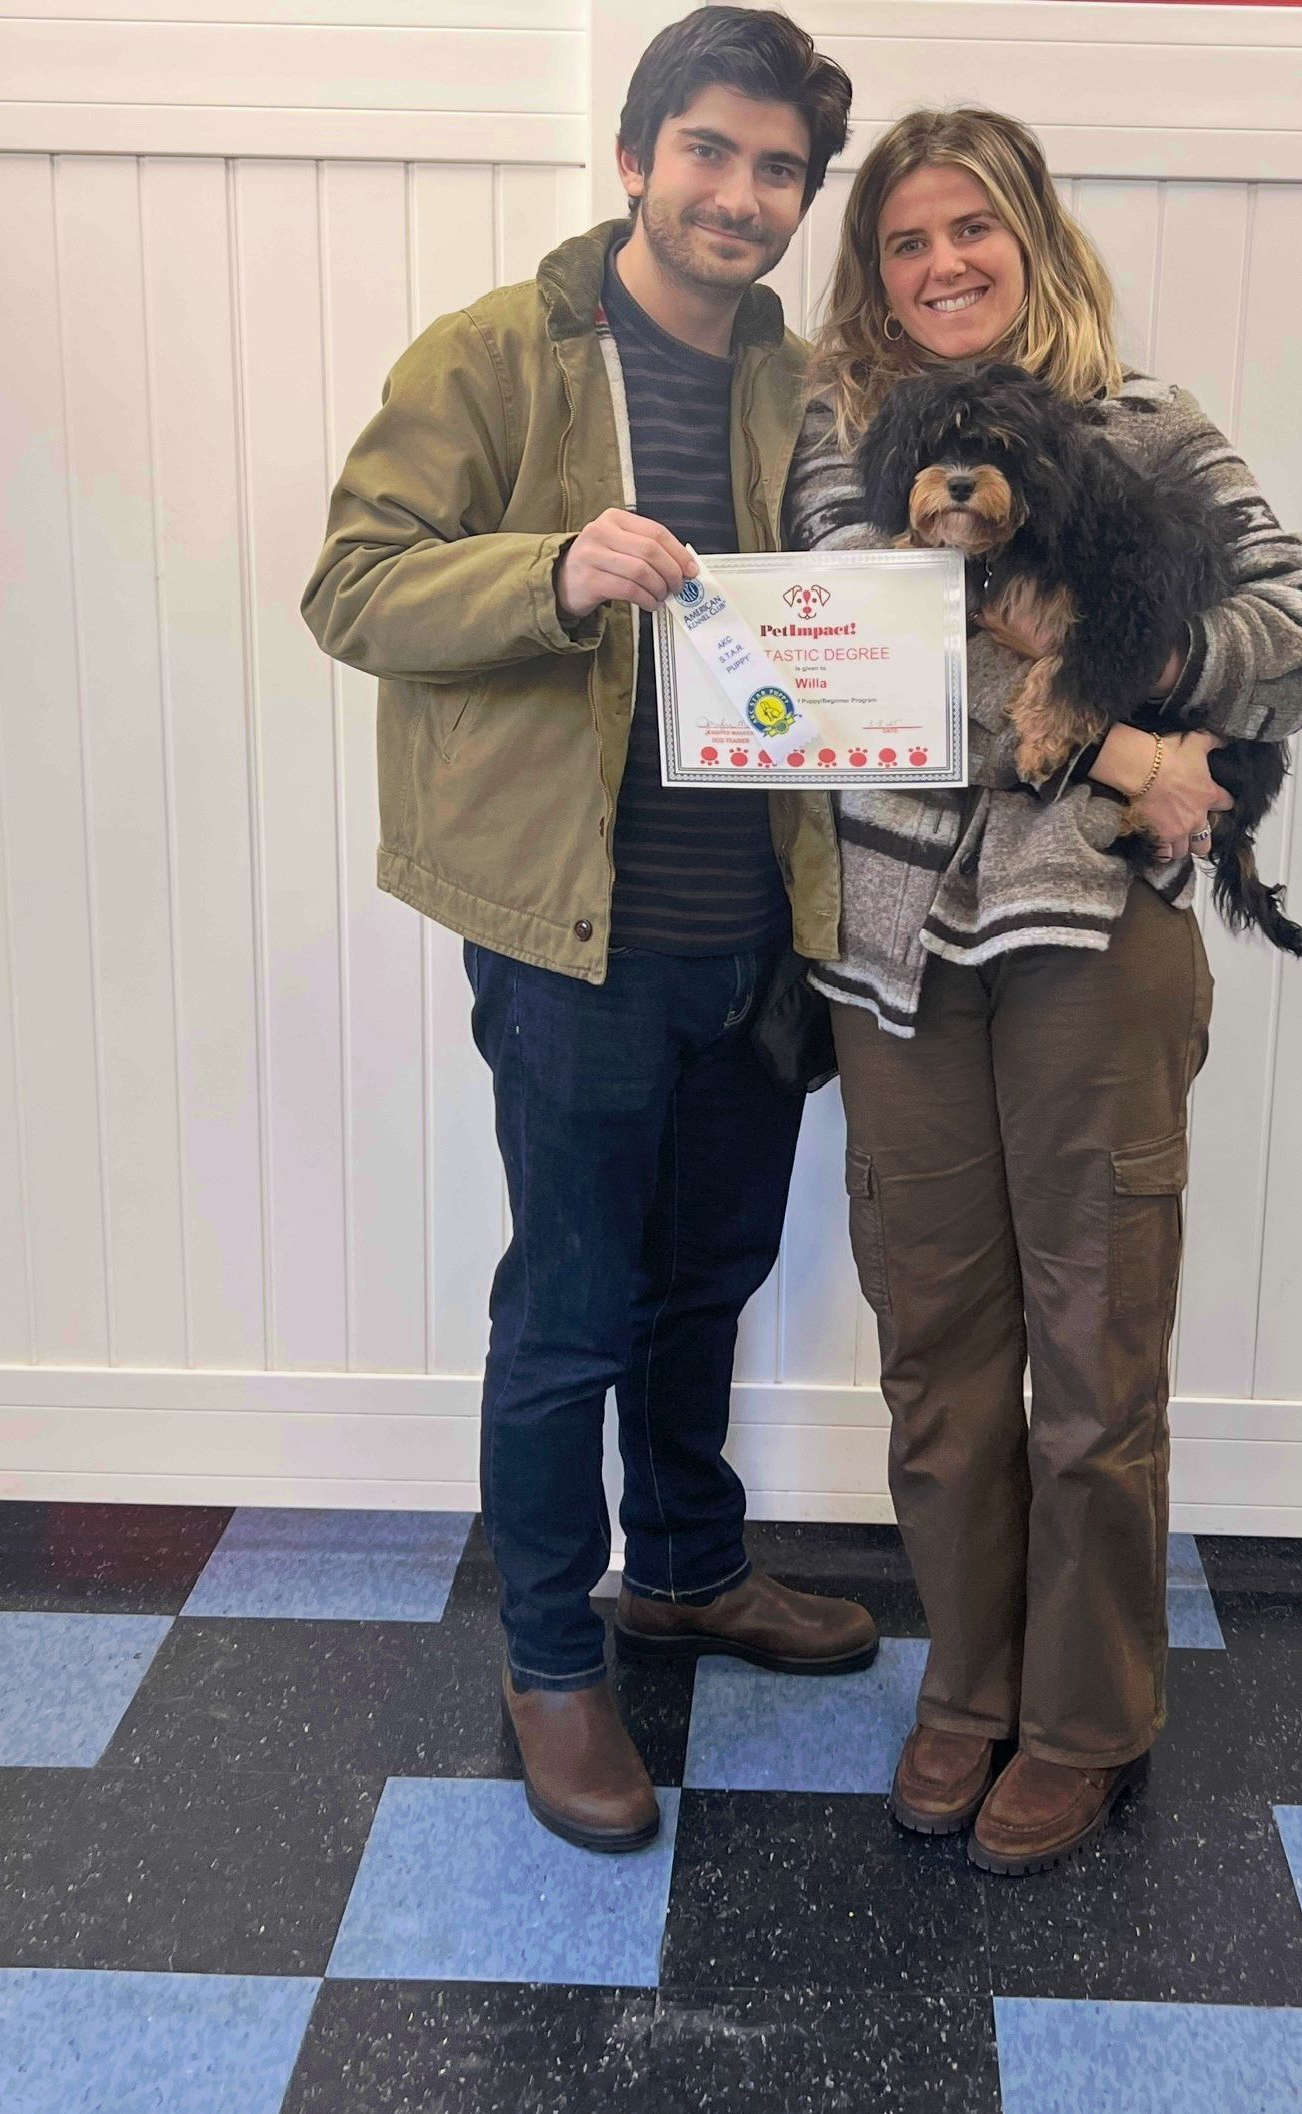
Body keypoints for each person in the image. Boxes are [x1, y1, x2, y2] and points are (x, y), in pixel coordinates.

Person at [303, 8, 873, 1858]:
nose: (742, 194)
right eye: (708, 151)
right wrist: (552, 571)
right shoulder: (499, 350)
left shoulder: (812, 379)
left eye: (779, 168)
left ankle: (691, 1571)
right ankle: (554, 1653)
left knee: (705, 1277)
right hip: (572, 932)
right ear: (636, 157)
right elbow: (354, 585)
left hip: (762, 929)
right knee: (570, 1309)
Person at [787, 107, 1302, 1876]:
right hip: (892, 958)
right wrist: (1125, 743)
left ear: (1033, 236)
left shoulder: (1151, 427)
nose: (943, 263)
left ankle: (1090, 1717)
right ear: (870, 272)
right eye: (903, 240)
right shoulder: (839, 439)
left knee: (1099, 1351)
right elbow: (849, 660)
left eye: (975, 228)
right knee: (939, 1349)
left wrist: (1153, 673)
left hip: (1096, 949)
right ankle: (966, 1684)